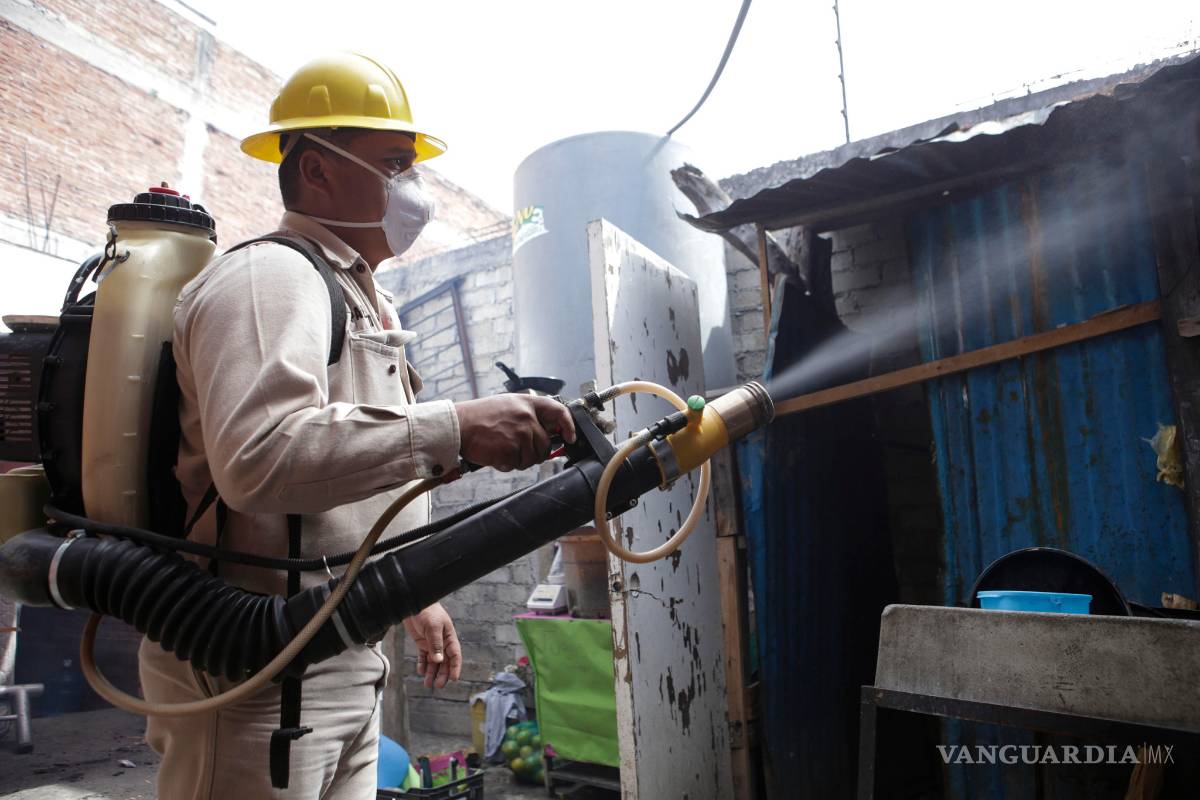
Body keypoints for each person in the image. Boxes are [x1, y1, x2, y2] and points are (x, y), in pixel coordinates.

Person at [138, 51, 574, 799]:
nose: (414, 190)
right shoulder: (269, 276)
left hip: (340, 654)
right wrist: (457, 428)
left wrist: (408, 595)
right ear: (316, 170)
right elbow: (259, 458)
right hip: (254, 668)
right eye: (396, 164)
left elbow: (346, 470)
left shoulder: (356, 294)